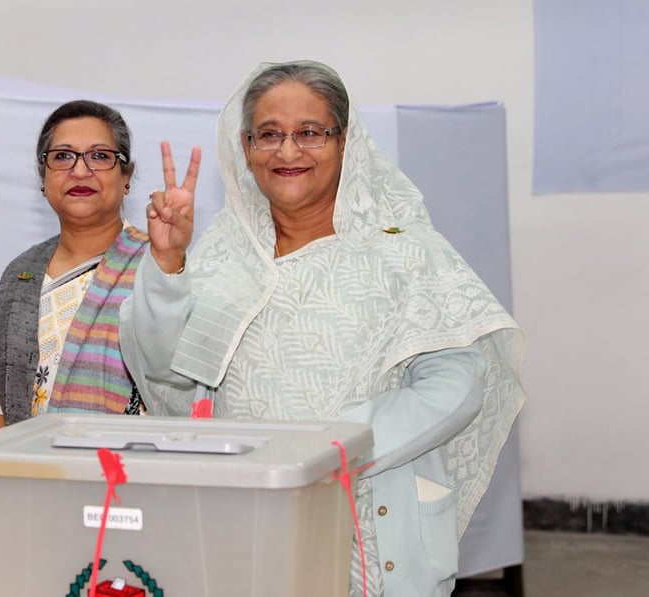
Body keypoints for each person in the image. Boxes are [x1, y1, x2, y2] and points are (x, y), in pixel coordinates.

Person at [120, 60, 526, 597]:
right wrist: (169, 264)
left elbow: (456, 385)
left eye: (310, 133)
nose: (288, 152)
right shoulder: (222, 254)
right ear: (246, 148)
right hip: (243, 520)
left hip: (368, 525)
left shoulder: (402, 249)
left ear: (344, 141)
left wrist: (332, 445)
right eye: (269, 135)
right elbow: (161, 372)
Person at [0, 100, 148, 429]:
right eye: (63, 156)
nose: (80, 171)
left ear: (127, 176)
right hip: (24, 472)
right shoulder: (20, 275)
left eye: (99, 156)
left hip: (125, 472)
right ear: (43, 176)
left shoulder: (157, 267)